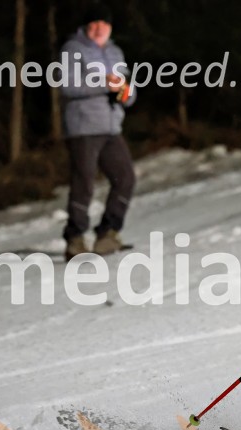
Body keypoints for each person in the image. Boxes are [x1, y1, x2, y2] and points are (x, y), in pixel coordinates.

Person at [59, 3, 137, 260]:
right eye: (93, 25)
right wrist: (103, 83)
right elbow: (68, 86)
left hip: (111, 125)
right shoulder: (73, 49)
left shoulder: (115, 52)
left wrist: (125, 93)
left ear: (110, 27)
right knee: (84, 182)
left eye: (103, 25)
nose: (98, 29)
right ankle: (75, 238)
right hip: (83, 126)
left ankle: (108, 233)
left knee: (125, 177)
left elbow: (128, 89)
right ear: (85, 27)